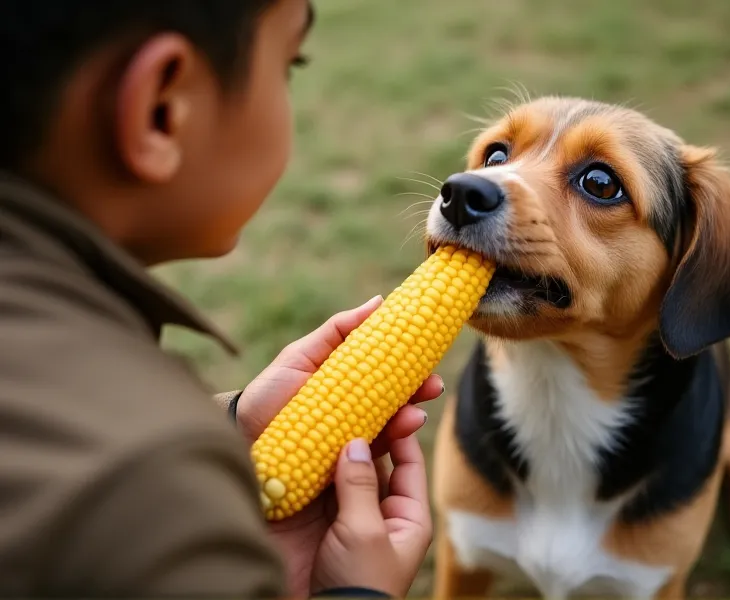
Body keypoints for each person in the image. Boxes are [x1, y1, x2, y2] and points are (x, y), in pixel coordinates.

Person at [0, 0, 441, 597]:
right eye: (290, 64)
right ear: (161, 109)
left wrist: (229, 427)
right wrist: (356, 594)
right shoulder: (153, 482)